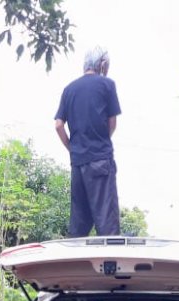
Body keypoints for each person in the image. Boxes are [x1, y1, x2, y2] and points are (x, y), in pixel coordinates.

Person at [55, 46, 121, 237]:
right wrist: (100, 142)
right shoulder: (107, 84)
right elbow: (112, 122)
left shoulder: (69, 90)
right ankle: (111, 264)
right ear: (102, 64)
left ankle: (73, 266)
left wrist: (72, 148)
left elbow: (59, 125)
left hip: (77, 163)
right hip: (100, 161)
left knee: (79, 224)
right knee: (107, 224)